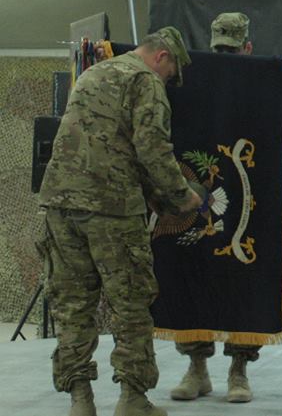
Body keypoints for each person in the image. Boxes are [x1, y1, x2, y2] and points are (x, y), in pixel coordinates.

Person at [170, 11, 282, 404]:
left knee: (246, 281)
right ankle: (197, 368)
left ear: (247, 47)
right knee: (193, 271)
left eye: (231, 50)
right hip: (202, 194)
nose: (225, 57)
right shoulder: (192, 76)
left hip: (252, 196)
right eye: (219, 50)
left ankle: (239, 370)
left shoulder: (268, 81)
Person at [37, 27, 203, 416]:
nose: (167, 81)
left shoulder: (94, 73)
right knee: (130, 303)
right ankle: (132, 400)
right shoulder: (145, 81)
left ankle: (80, 400)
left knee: (72, 305)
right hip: (111, 208)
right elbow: (152, 149)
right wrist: (182, 197)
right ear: (162, 57)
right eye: (170, 74)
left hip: (60, 204)